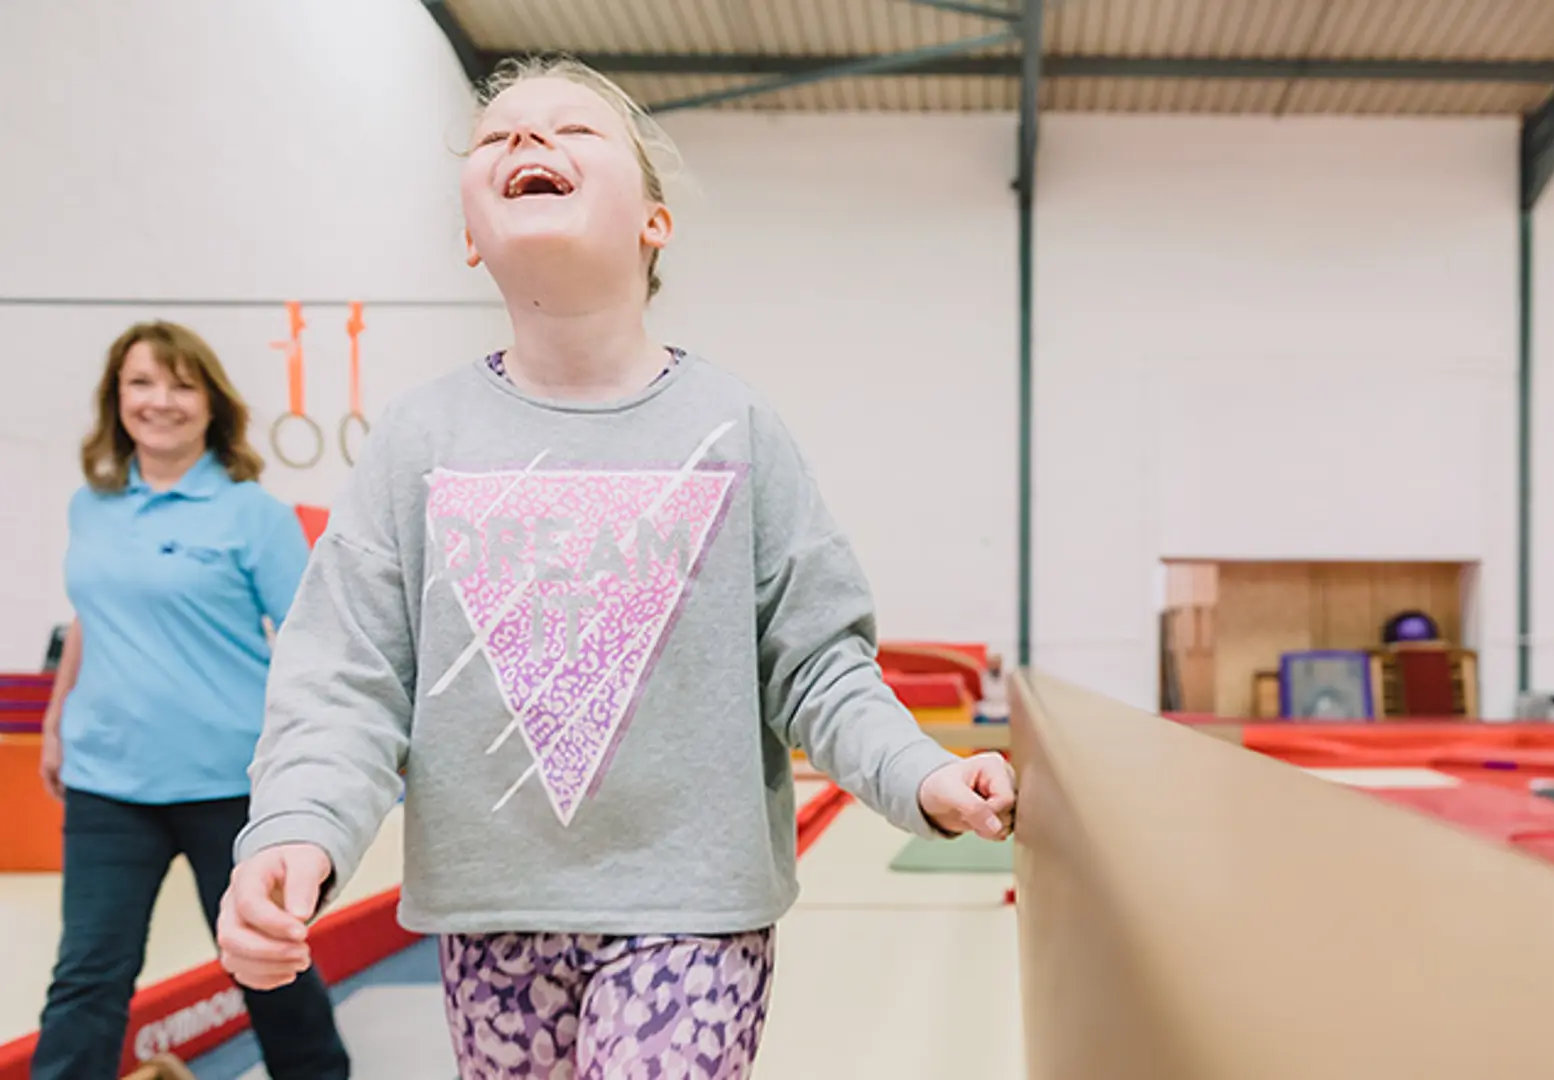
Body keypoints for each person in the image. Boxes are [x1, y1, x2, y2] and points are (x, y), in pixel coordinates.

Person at [215, 57, 1017, 1076]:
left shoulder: (733, 428)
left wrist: (922, 776)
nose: (529, 142)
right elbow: (347, 679)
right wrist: (297, 828)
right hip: (493, 912)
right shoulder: (421, 440)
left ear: (654, 223)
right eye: (499, 135)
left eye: (572, 131)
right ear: (468, 236)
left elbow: (816, 664)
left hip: (691, 909)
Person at [34, 322, 349, 1078]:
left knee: (270, 970)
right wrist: (54, 724)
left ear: (213, 404)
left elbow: (317, 644)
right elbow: (92, 616)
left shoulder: (253, 515)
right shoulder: (93, 507)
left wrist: (314, 766)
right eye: (142, 383)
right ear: (117, 399)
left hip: (230, 785)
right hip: (108, 785)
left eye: (182, 384)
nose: (161, 401)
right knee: (87, 981)